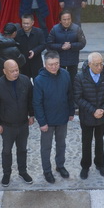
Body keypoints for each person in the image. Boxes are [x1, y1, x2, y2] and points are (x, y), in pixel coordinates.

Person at [0, 58, 34, 186]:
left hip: (23, 123)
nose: (15, 73)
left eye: (17, 70)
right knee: (7, 151)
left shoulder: (25, 81)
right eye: (12, 71)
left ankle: (22, 171)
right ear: (4, 71)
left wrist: (31, 115)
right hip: (7, 126)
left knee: (22, 149)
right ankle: (6, 174)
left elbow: (30, 99)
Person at [33, 51, 74, 183]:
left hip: (62, 118)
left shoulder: (66, 74)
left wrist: (71, 111)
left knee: (61, 144)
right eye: (50, 64)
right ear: (45, 64)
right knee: (46, 147)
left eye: (56, 63)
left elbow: (69, 94)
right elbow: (37, 103)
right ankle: (47, 170)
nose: (54, 67)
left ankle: (60, 166)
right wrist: (42, 122)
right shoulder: (39, 80)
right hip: (47, 121)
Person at [74, 52, 104, 179]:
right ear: (90, 64)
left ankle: (100, 164)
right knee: (86, 142)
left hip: (102, 116)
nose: (99, 67)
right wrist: (93, 110)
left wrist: (102, 109)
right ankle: (85, 166)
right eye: (96, 65)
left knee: (99, 140)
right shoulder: (80, 77)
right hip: (87, 116)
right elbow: (78, 98)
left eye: (101, 64)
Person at [46, 10, 86, 81]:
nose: (67, 22)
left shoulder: (77, 29)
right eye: (64, 19)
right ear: (60, 20)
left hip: (73, 60)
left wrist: (71, 45)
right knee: (59, 80)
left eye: (68, 19)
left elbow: (82, 43)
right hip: (59, 61)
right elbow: (49, 44)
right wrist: (61, 46)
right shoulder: (55, 29)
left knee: (73, 80)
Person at [16, 13, 47, 79]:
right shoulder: (18, 33)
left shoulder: (39, 32)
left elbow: (43, 44)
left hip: (36, 63)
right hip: (23, 64)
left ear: (32, 22)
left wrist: (34, 51)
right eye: (24, 23)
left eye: (27, 23)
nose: (25, 25)